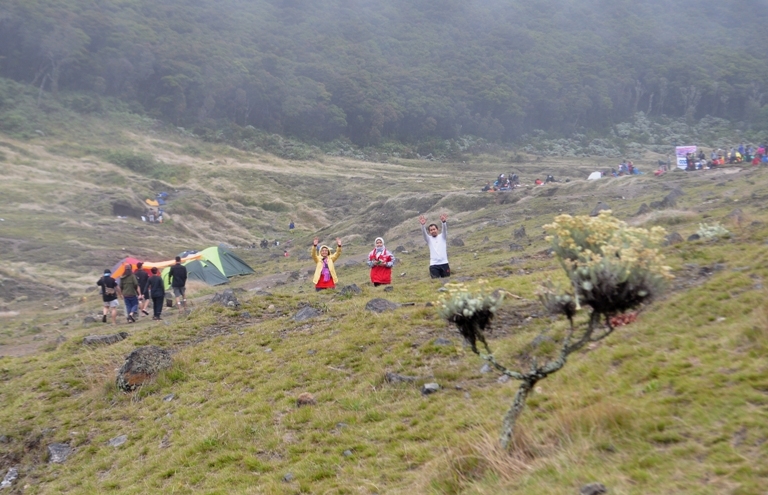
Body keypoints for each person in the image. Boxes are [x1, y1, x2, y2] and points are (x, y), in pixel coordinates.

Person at [419, 214, 450, 279]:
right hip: (434, 265)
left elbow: (445, 230)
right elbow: (424, 233)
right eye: (431, 230)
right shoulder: (429, 239)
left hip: (444, 263)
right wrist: (422, 225)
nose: (433, 231)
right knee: (436, 283)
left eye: (434, 229)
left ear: (437, 229)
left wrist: (444, 222)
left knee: (447, 282)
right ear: (429, 232)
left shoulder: (443, 237)